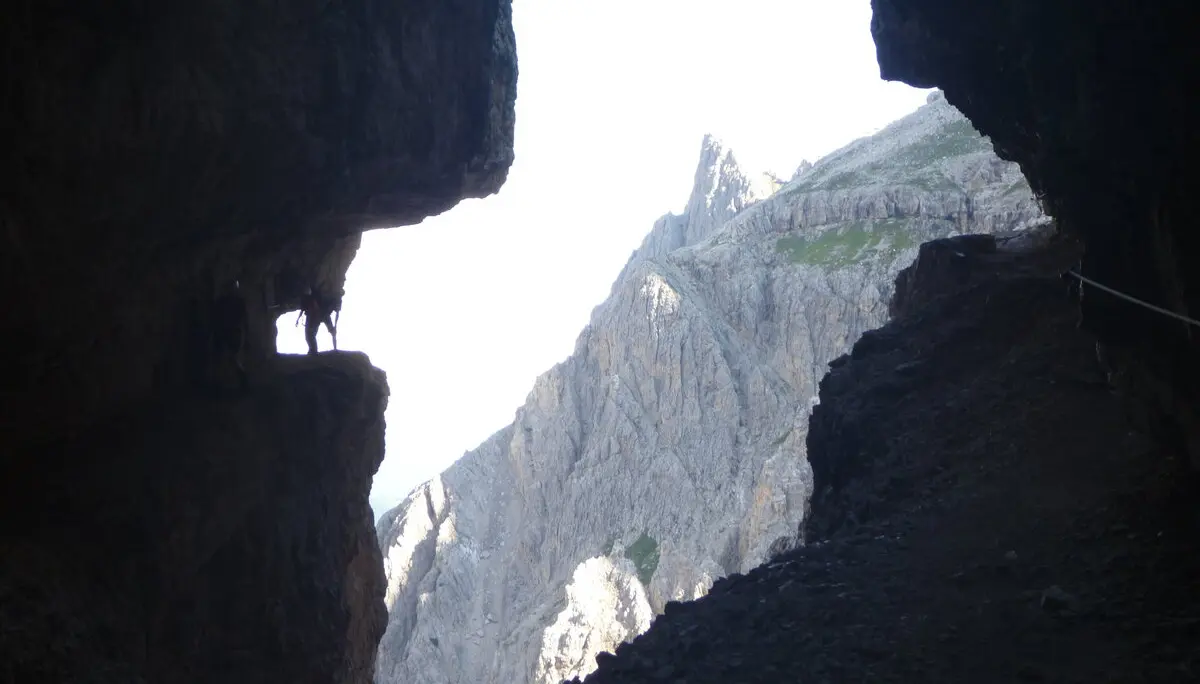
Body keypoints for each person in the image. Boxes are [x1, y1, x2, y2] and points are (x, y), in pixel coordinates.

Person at [297, 287, 337, 355]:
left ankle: (313, 350)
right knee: (311, 334)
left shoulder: (312, 297)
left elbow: (310, 307)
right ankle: (313, 350)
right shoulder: (306, 299)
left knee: (310, 334)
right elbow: (303, 309)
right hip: (318, 315)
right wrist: (298, 319)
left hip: (317, 315)